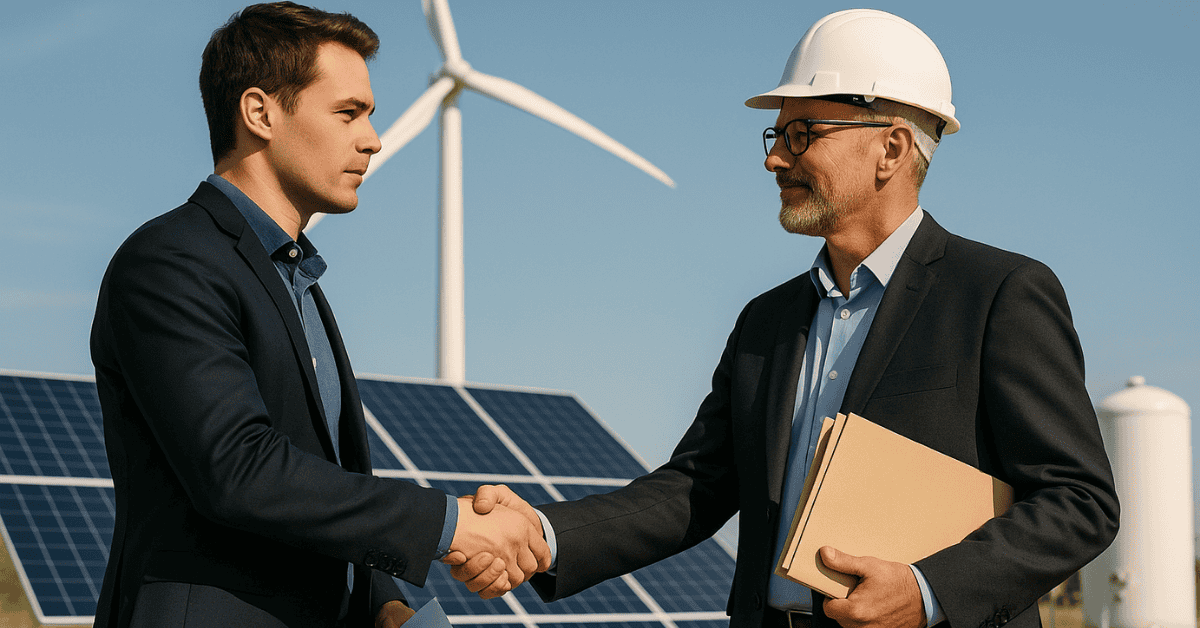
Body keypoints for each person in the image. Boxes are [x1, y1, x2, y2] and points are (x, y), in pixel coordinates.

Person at [458, 9, 1118, 628]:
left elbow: (1078, 502)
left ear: (889, 149)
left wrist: (927, 591)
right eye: (777, 135)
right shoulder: (765, 324)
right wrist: (543, 535)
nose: (775, 159)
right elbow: (697, 487)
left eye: (803, 134)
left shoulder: (997, 294)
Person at [90, 3, 547, 627]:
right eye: (347, 113)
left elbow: (322, 489)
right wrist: (451, 524)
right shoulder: (170, 261)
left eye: (372, 115)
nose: (373, 139)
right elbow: (239, 469)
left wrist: (387, 603)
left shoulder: (298, 281)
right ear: (260, 113)